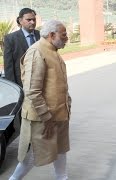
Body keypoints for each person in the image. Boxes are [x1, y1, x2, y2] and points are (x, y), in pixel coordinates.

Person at [9, 20, 71, 180]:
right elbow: (32, 90)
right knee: (32, 155)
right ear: (51, 35)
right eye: (63, 35)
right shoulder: (37, 52)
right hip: (42, 118)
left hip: (58, 115)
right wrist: (46, 117)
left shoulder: (52, 50)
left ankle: (62, 177)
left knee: (60, 149)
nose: (67, 38)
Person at [4, 8, 40, 87]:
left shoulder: (41, 36)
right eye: (29, 20)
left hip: (41, 81)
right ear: (20, 21)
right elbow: (9, 66)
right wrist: (13, 87)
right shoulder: (10, 39)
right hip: (22, 83)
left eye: (34, 19)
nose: (32, 22)